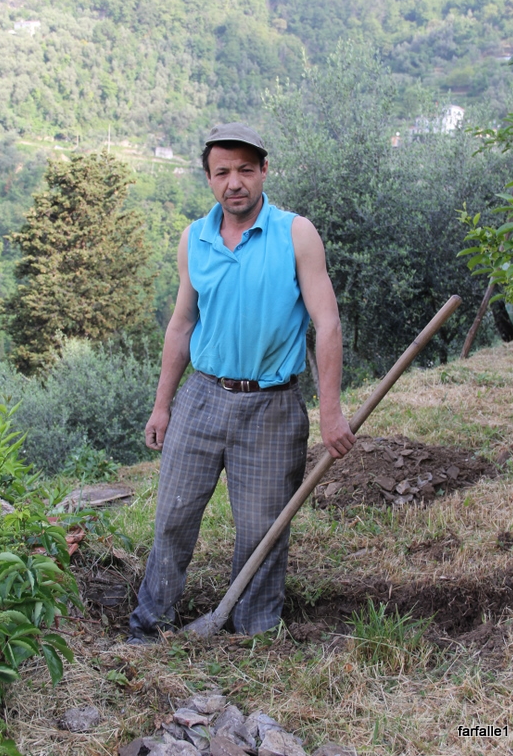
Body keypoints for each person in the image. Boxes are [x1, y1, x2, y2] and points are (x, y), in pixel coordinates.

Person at [128, 123, 356, 643]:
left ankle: (253, 633)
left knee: (262, 531)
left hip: (272, 406)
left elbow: (327, 323)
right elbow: (182, 325)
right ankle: (149, 625)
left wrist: (330, 411)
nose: (235, 182)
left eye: (246, 170)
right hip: (202, 397)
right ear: (210, 179)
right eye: (223, 172)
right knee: (173, 518)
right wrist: (163, 404)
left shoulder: (296, 233)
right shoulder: (194, 238)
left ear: (264, 171)